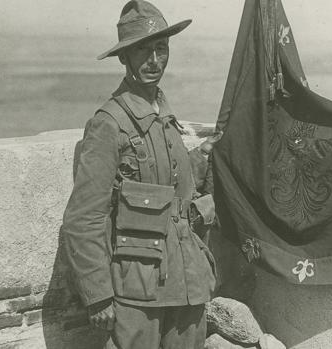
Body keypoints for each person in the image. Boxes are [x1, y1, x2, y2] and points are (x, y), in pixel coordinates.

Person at [61, 1, 220, 348]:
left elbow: (166, 184)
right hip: (137, 290)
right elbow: (83, 218)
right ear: (124, 57)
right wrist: (99, 295)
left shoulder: (162, 111)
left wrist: (200, 157)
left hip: (187, 281)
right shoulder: (109, 124)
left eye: (161, 49)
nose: (154, 61)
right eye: (142, 50)